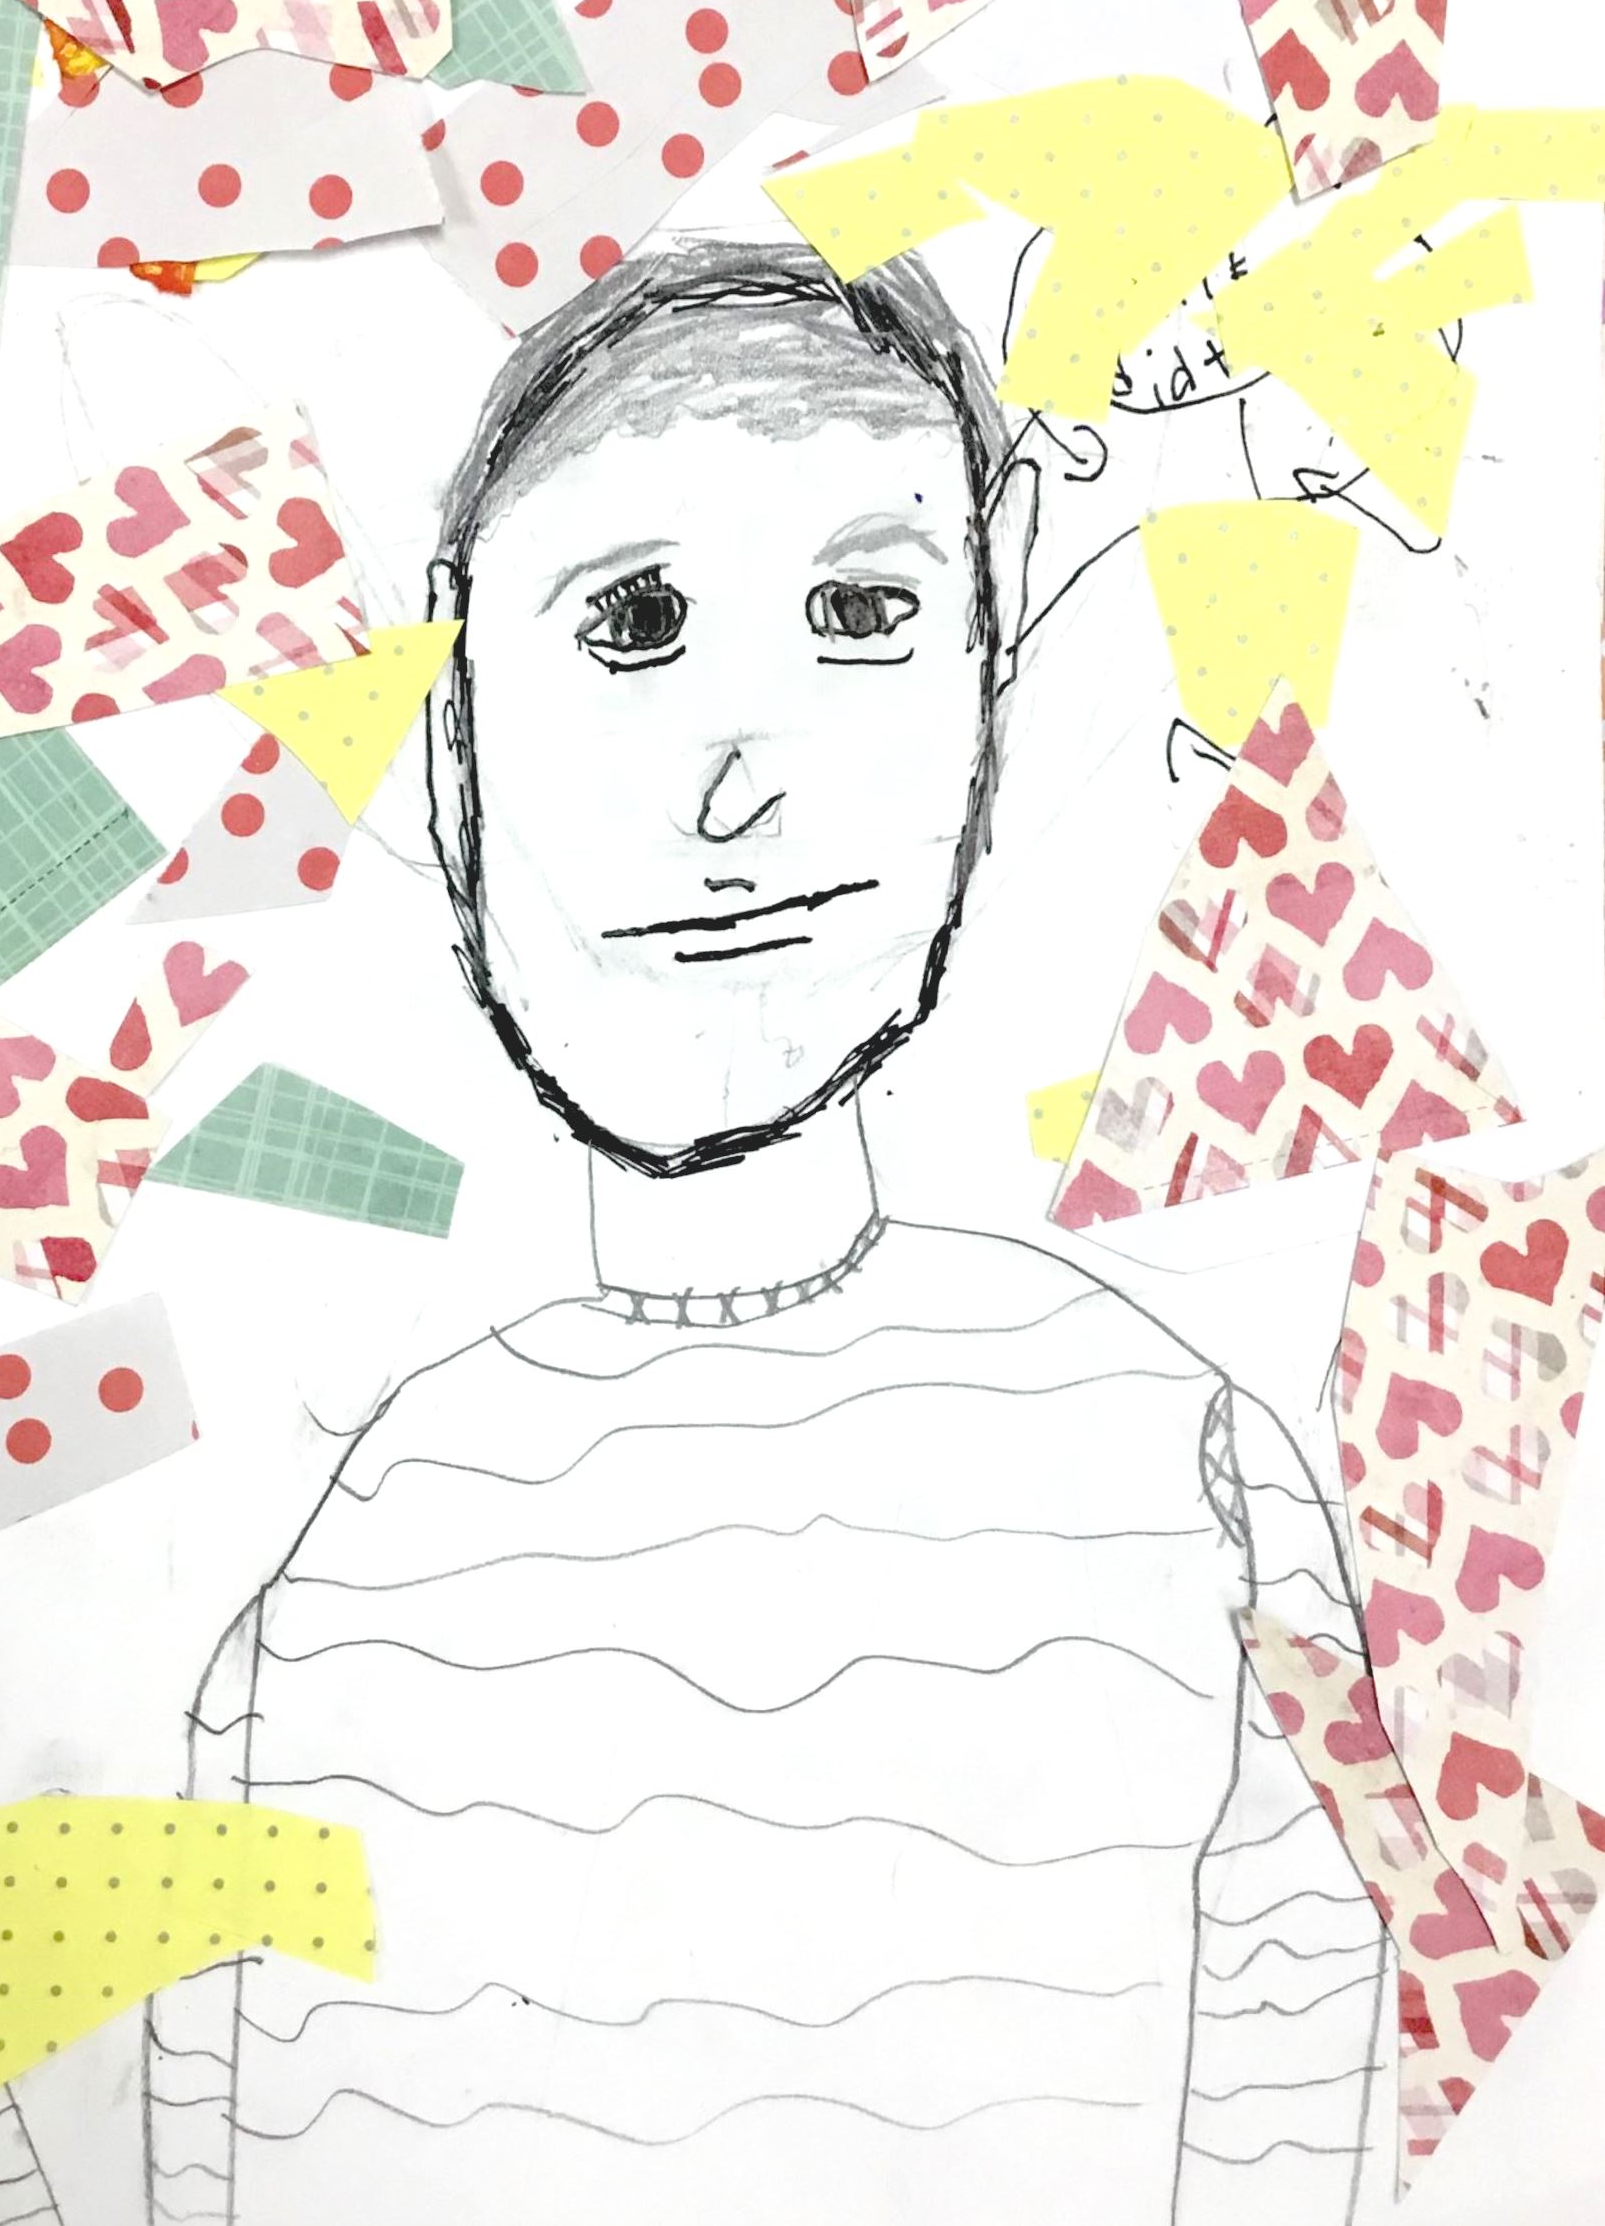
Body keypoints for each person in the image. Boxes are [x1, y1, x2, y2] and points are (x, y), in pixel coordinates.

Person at [143, 241, 1384, 2226]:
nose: (742, 783)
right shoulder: (347, 1566)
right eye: (631, 621)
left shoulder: (1189, 1473)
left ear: (986, 702)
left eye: (863, 612)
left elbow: (1300, 2133)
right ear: (455, 752)